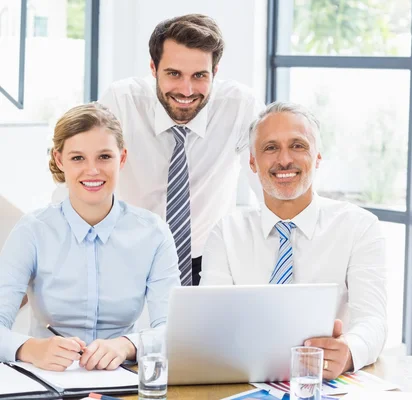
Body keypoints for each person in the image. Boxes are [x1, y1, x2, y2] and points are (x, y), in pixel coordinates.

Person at [201, 102, 387, 379]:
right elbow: (211, 323)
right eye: (270, 147)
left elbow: (373, 321)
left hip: (325, 381)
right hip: (243, 379)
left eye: (298, 146)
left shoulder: (359, 227)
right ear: (252, 161)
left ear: (318, 157)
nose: (284, 160)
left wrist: (349, 350)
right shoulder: (226, 233)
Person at [0, 103, 181, 371]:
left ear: (121, 158)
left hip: (122, 382)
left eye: (104, 157)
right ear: (60, 160)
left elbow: (173, 330)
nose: (93, 170)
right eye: (78, 158)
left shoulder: (153, 233)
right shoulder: (32, 231)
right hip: (47, 381)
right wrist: (30, 348)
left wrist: (126, 345)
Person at [98, 14, 264, 286]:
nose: (186, 90)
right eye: (174, 74)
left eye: (199, 75)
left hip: (207, 260)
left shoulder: (239, 105)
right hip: (129, 255)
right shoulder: (121, 102)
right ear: (153, 68)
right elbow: (84, 170)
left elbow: (267, 185)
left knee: (200, 329)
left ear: (215, 72)